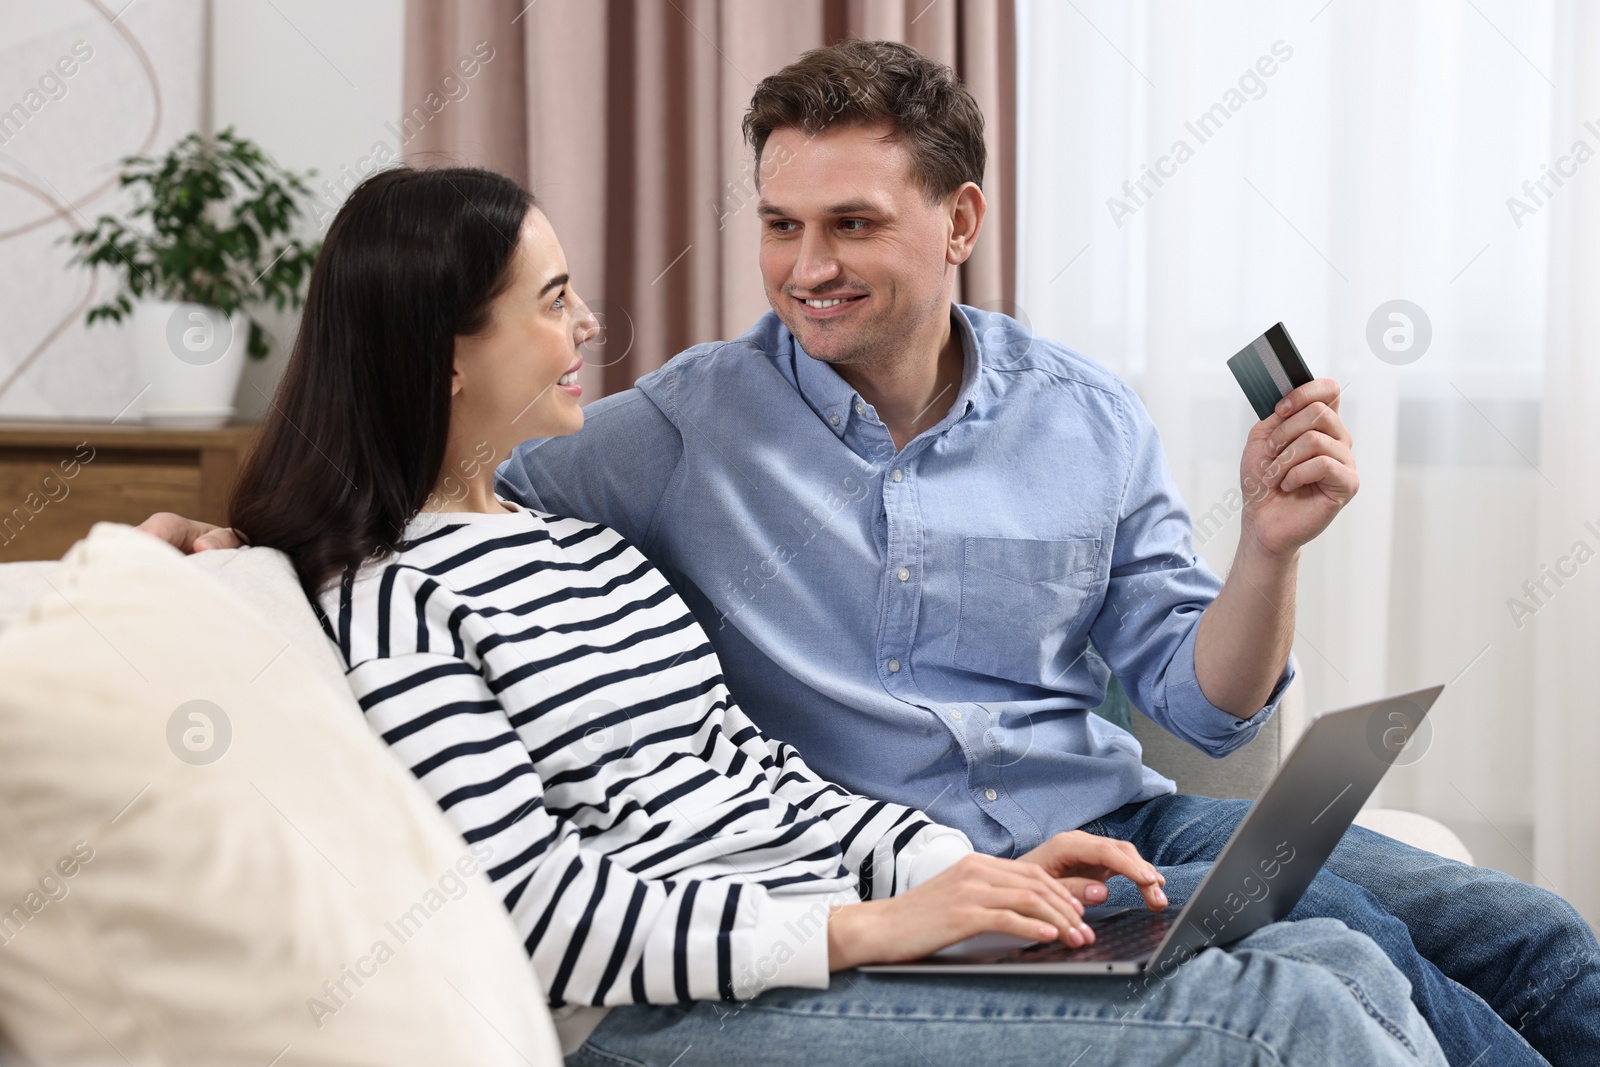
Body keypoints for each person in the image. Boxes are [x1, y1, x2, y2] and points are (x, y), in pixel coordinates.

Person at [144, 41, 1599, 1066]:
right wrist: (240, 556)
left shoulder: (1075, 416)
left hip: (1061, 834)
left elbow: (1195, 707)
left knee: (1485, 940)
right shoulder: (666, 436)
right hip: (805, 936)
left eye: (851, 223)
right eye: (780, 225)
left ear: (961, 220)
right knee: (1313, 991)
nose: (804, 267)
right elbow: (402, 486)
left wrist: (1270, 554)